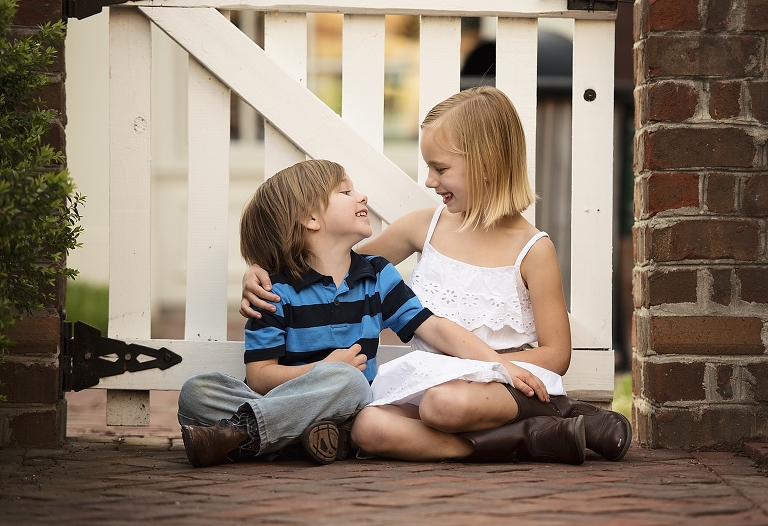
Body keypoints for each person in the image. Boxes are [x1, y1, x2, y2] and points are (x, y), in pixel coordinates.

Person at [241, 87, 631, 463]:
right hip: (430, 383)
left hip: (503, 386)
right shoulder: (421, 228)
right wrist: (261, 269)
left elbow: (557, 356)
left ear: (487, 164)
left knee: (446, 405)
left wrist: (492, 366)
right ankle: (527, 440)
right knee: (368, 428)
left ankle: (552, 414)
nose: (429, 181)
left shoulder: (534, 249)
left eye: (440, 168)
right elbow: (328, 263)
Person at [179, 158, 585, 469]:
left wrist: (498, 366)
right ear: (311, 219)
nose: (362, 197)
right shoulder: (275, 293)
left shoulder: (376, 277)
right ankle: (284, 435)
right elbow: (260, 378)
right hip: (287, 398)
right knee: (196, 392)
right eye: (345, 191)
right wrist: (321, 369)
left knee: (351, 384)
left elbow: (435, 328)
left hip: (353, 407)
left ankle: (248, 435)